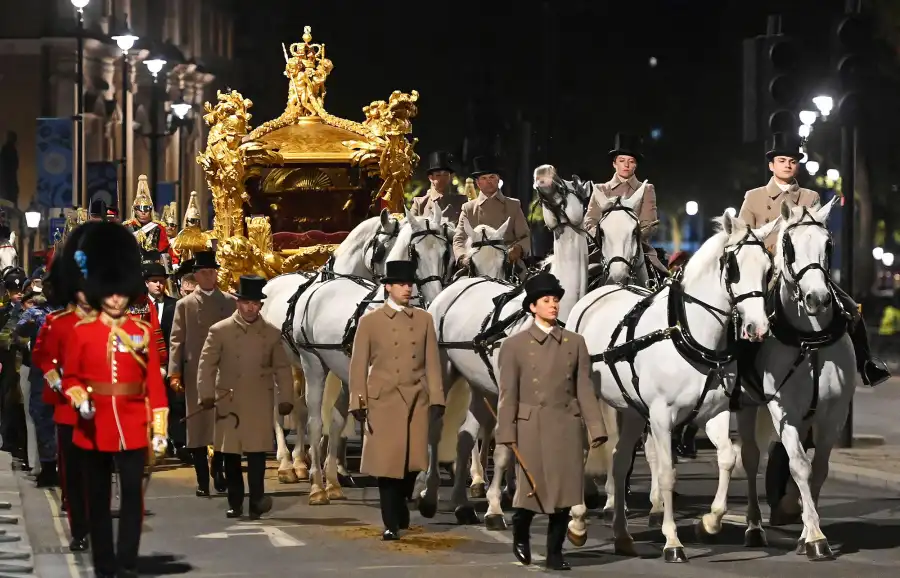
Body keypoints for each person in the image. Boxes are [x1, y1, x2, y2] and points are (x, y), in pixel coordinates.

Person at [59, 221, 168, 578]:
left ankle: (127, 559)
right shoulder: (82, 332)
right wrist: (79, 400)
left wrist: (159, 429)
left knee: (134, 497)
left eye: (121, 291)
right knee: (99, 501)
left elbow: (154, 384)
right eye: (111, 292)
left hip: (134, 425)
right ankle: (104, 562)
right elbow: (71, 377)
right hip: (94, 426)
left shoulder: (142, 332)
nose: (117, 298)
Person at [738, 133, 889, 387]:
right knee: (739, 313)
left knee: (851, 309)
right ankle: (738, 372)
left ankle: (866, 364)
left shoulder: (811, 198)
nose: (787, 164)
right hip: (766, 270)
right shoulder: (753, 197)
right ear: (771, 165)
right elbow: (742, 237)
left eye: (792, 161)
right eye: (782, 160)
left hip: (805, 270)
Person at [496, 272, 607, 570]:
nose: (553, 305)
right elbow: (508, 394)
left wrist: (596, 427)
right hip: (530, 426)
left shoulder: (575, 343)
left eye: (556, 300)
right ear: (532, 306)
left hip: (566, 426)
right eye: (546, 301)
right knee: (530, 491)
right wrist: (505, 431)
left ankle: (555, 553)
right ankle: (521, 534)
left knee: (564, 494)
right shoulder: (514, 345)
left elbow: (585, 388)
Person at [348, 260, 445, 540]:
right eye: (401, 284)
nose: (407, 288)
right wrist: (357, 401)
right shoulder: (370, 322)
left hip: (416, 398)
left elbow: (432, 362)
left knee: (413, 463)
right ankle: (391, 522)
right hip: (383, 400)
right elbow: (358, 364)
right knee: (388, 465)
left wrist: (437, 397)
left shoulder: (424, 319)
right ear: (387, 287)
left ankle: (402, 501)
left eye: (410, 284)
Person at [197, 275, 294, 519]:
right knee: (231, 455)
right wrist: (206, 394)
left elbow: (283, 367)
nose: (251, 307)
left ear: (261, 305)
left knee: (257, 455)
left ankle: (256, 501)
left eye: (255, 303)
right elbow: (206, 365)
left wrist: (286, 397)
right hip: (228, 400)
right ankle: (235, 502)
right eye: (246, 302)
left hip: (259, 400)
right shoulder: (220, 331)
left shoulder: (271, 334)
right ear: (238, 303)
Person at [33, 221, 99, 551]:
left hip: (103, 411)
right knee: (73, 476)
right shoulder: (55, 323)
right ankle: (80, 530)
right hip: (68, 414)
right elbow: (43, 361)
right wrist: (63, 388)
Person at [168, 251, 235, 497]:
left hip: (223, 371)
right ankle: (201, 480)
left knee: (222, 425)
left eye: (212, 271)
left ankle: (218, 471)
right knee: (197, 426)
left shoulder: (229, 302)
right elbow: (176, 340)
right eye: (204, 272)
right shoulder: (184, 305)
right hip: (194, 371)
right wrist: (174, 373)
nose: (209, 276)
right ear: (196, 276)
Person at [582, 133, 666, 274]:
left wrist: (631, 235)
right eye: (622, 160)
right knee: (584, 280)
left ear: (636, 165)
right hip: (604, 250)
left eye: (631, 161)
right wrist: (604, 236)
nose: (626, 165)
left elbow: (649, 223)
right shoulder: (600, 189)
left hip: (638, 250)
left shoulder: (646, 189)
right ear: (614, 163)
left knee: (662, 283)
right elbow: (589, 221)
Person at [452, 156, 531, 270]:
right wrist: (463, 257)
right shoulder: (468, 208)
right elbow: (459, 239)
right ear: (478, 183)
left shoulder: (513, 205)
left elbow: (525, 236)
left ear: (498, 180)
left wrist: (518, 249)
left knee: (526, 285)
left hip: (508, 263)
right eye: (484, 178)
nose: (489, 181)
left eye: (492, 177)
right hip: (475, 264)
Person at [144, 261, 184, 461]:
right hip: (147, 360)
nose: (158, 285)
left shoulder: (174, 304)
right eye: (154, 282)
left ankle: (177, 442)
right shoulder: (139, 306)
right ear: (147, 283)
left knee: (173, 402)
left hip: (169, 359)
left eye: (161, 281)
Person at [121, 175, 171, 261]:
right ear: (135, 211)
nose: (143, 212)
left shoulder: (159, 227)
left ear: (150, 210)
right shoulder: (126, 227)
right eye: (140, 209)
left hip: (153, 267)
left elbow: (165, 252)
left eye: (146, 209)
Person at [410, 151, 466, 224]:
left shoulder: (462, 202)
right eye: (438, 175)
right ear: (431, 178)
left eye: (445, 175)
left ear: (451, 177)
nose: (442, 179)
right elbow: (411, 226)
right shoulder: (420, 204)